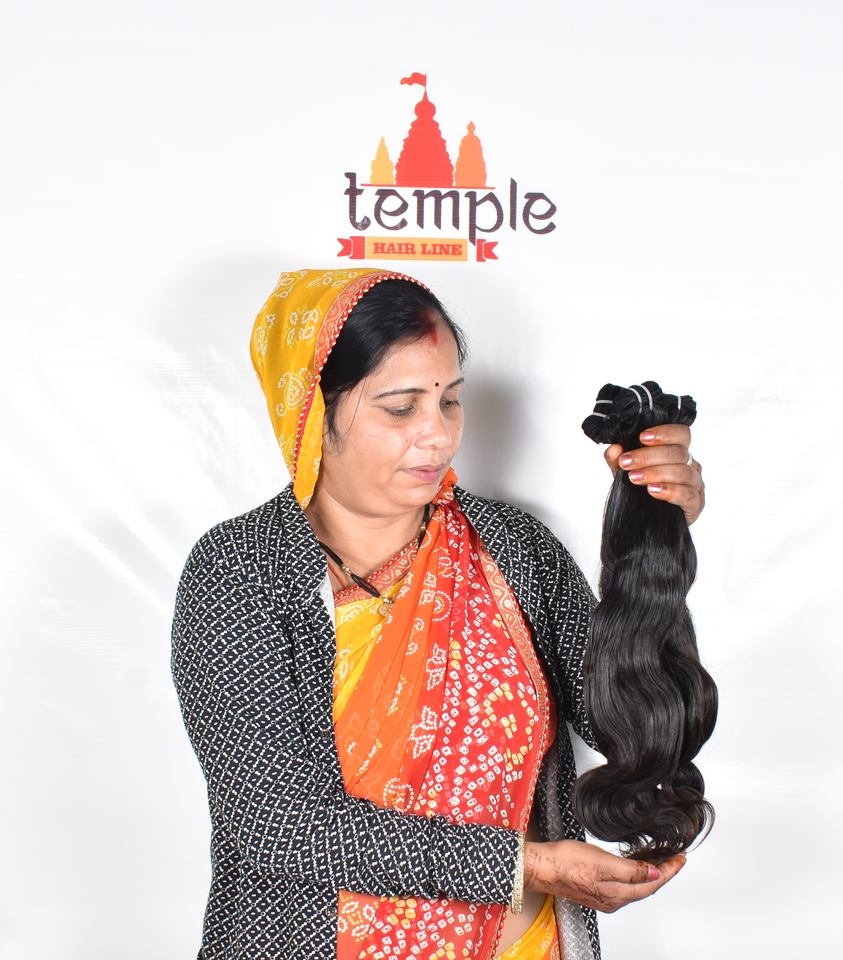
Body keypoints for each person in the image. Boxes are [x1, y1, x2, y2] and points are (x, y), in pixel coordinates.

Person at [171, 267, 706, 960]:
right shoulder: (241, 569)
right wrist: (525, 865)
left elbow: (622, 720)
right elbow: (281, 825)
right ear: (310, 412)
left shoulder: (512, 549)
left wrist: (653, 540)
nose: (438, 436)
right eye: (400, 409)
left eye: (450, 400)